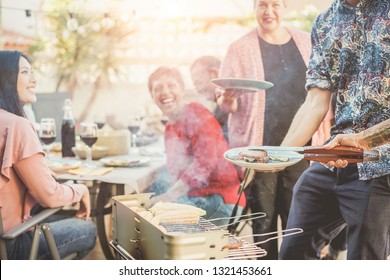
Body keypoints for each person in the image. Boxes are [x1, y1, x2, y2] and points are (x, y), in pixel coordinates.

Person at [278, 0, 389, 260]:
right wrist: (279, 154)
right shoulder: (325, 22)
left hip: (382, 164)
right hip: (336, 157)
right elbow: (316, 101)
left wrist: (363, 140)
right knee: (291, 255)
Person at [217, 0, 312, 259]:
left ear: (285, 7)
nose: (269, 11)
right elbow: (227, 105)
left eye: (275, 4)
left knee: (298, 221)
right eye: (262, 4)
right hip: (260, 150)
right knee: (263, 222)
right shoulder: (239, 48)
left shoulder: (306, 42)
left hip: (301, 147)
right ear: (254, 8)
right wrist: (227, 97)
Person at [0, 50, 96, 260]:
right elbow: (49, 195)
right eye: (25, 72)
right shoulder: (17, 125)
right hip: (11, 245)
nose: (34, 79)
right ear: (5, 79)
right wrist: (80, 190)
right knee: (87, 229)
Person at [147, 66, 246, 226]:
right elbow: (174, 172)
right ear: (152, 96)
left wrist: (168, 197)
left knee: (160, 227)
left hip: (219, 198)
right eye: (157, 88)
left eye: (171, 86)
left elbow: (204, 163)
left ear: (182, 90)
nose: (165, 92)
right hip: (195, 197)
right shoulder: (169, 128)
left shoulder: (195, 113)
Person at [323, 118, 390, 260]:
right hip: (339, 155)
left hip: (380, 169)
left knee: (365, 256)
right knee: (293, 248)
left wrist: (360, 140)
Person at [190, 55, 229, 141]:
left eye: (198, 83)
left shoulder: (230, 104)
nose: (198, 91)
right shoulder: (219, 109)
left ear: (213, 74)